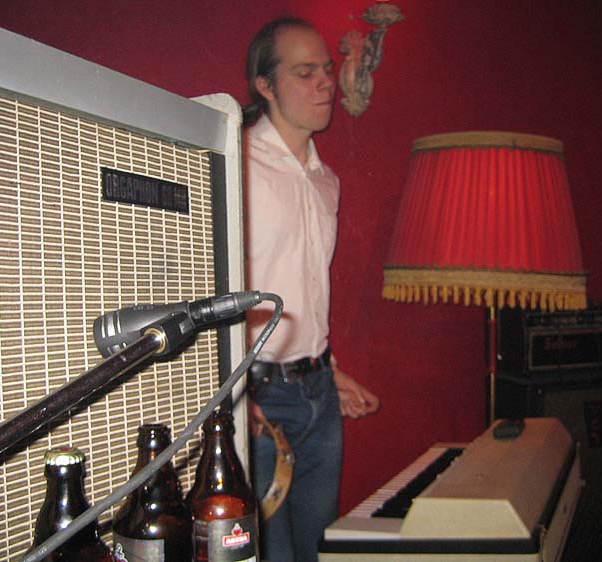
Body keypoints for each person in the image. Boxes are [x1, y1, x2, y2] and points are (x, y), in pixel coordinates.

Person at [242, 16, 380, 562]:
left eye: (326, 69)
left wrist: (325, 364)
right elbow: (206, 287)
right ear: (265, 84)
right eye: (305, 73)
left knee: (318, 548)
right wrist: (231, 398)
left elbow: (303, 284)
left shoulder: (327, 181)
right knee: (270, 554)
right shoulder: (234, 165)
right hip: (256, 399)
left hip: (318, 393)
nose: (326, 82)